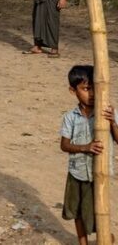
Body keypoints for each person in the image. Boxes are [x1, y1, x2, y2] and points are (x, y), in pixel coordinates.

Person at [59, 65, 118, 245]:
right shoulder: (70, 117)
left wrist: (112, 122)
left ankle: (106, 238)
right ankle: (82, 242)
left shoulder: (107, 114)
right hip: (77, 172)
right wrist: (86, 147)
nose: (91, 94)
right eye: (86, 89)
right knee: (77, 212)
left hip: (99, 174)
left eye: (94, 88)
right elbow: (64, 145)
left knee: (99, 211)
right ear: (73, 91)